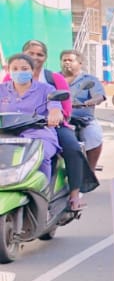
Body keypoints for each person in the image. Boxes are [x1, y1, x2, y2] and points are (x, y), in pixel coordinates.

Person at [22, 40, 92, 208]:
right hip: (18, 127)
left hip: (50, 126)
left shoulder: (53, 79)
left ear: (45, 58)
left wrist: (55, 116)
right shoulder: (10, 78)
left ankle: (74, 195)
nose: (35, 57)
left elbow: (65, 107)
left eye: (40, 54)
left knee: (72, 148)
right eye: (31, 53)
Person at [4, 52, 65, 180]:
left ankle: (43, 190)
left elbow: (54, 105)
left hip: (38, 133)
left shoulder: (46, 89)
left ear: (32, 71)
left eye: (24, 69)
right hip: (5, 134)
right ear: (8, 71)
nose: (19, 72)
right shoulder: (1, 90)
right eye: (15, 69)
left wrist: (55, 113)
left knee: (40, 156)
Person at [59, 49, 107, 173]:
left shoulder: (89, 79)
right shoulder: (54, 78)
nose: (67, 63)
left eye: (70, 60)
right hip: (58, 119)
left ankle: (90, 171)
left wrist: (92, 101)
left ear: (80, 63)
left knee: (94, 135)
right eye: (64, 60)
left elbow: (99, 95)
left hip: (83, 119)